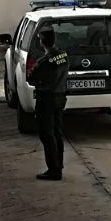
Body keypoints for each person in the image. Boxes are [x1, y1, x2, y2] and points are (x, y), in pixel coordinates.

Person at [26, 27, 69, 180]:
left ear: (42, 42)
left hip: (46, 99)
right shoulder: (63, 55)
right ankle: (59, 164)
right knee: (57, 132)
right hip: (60, 97)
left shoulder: (44, 61)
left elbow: (30, 78)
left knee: (46, 134)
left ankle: (53, 169)